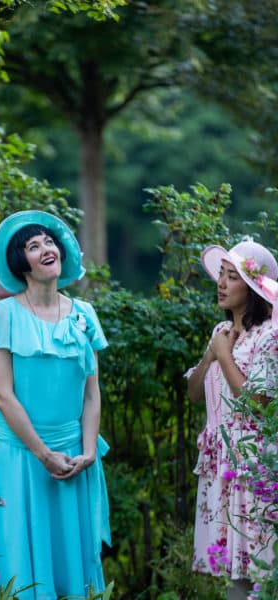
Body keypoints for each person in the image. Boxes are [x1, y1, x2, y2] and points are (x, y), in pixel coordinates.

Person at [0, 210, 111, 600]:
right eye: (33, 247)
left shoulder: (84, 315)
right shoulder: (3, 314)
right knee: (19, 571)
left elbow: (91, 393)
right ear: (21, 264)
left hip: (73, 457)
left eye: (49, 242)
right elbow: (2, 395)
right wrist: (43, 453)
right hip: (21, 458)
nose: (46, 249)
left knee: (73, 570)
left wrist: (87, 451)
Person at [186, 237, 278, 600]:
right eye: (220, 275)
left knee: (258, 562)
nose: (221, 284)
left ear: (254, 287)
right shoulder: (220, 334)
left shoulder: (270, 336)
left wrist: (224, 357)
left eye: (232, 276)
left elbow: (257, 402)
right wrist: (211, 356)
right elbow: (195, 394)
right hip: (221, 462)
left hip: (252, 461)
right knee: (233, 570)